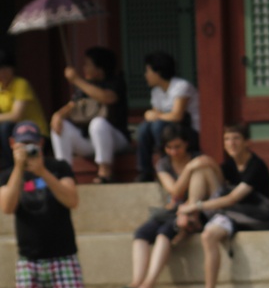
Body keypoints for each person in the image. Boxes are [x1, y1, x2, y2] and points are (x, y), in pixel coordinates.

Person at [0, 121, 86, 288]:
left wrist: (42, 172)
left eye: (33, 143)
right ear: (12, 144)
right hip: (29, 263)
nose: (29, 148)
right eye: (23, 143)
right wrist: (19, 169)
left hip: (64, 259)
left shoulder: (59, 167)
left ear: (41, 143)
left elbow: (72, 200)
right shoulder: (7, 175)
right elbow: (7, 206)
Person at [175, 124, 269, 288]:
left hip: (250, 216)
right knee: (202, 169)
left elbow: (232, 199)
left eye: (236, 138)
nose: (231, 143)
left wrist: (195, 206)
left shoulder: (256, 166)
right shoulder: (229, 166)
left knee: (208, 234)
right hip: (227, 214)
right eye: (227, 139)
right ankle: (192, 220)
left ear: (246, 142)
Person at [122, 123, 220, 288]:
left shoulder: (200, 159)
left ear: (186, 144)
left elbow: (217, 183)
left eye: (178, 147)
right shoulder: (164, 164)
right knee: (141, 233)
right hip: (174, 210)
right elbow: (175, 191)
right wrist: (189, 168)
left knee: (164, 233)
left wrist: (197, 167)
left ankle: (149, 283)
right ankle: (137, 280)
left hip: (196, 211)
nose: (174, 152)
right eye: (169, 147)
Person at [49, 46, 130, 184]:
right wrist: (58, 116)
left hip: (116, 139)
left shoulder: (115, 82)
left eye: (87, 64)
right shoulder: (85, 86)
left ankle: (105, 172)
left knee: (98, 123)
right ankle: (65, 174)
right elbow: (71, 106)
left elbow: (106, 98)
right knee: (61, 125)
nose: (84, 68)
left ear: (99, 68)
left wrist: (76, 80)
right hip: (88, 140)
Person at [136, 51, 199, 182]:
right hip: (169, 129)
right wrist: (150, 115)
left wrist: (156, 115)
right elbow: (154, 116)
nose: (146, 75)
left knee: (158, 126)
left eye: (148, 71)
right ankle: (145, 171)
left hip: (190, 131)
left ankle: (167, 164)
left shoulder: (181, 86)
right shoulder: (156, 91)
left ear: (158, 72)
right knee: (144, 128)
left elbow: (177, 115)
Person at [0, 49, 49, 170]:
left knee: (5, 127)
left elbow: (16, 115)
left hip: (34, 134)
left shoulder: (21, 84)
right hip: (14, 137)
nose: (2, 72)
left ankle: (13, 168)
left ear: (13, 69)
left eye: (5, 68)